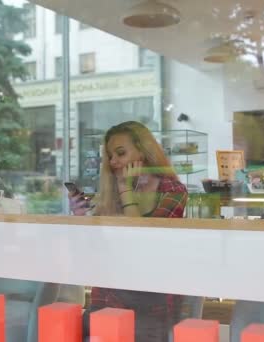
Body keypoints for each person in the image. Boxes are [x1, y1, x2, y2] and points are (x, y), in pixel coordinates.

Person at [69, 121, 189, 341]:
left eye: (120, 153)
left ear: (143, 152)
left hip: (153, 304)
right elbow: (93, 254)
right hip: (109, 298)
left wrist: (125, 188)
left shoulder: (173, 191)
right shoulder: (109, 193)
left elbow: (143, 243)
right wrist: (82, 219)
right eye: (110, 156)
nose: (113, 162)